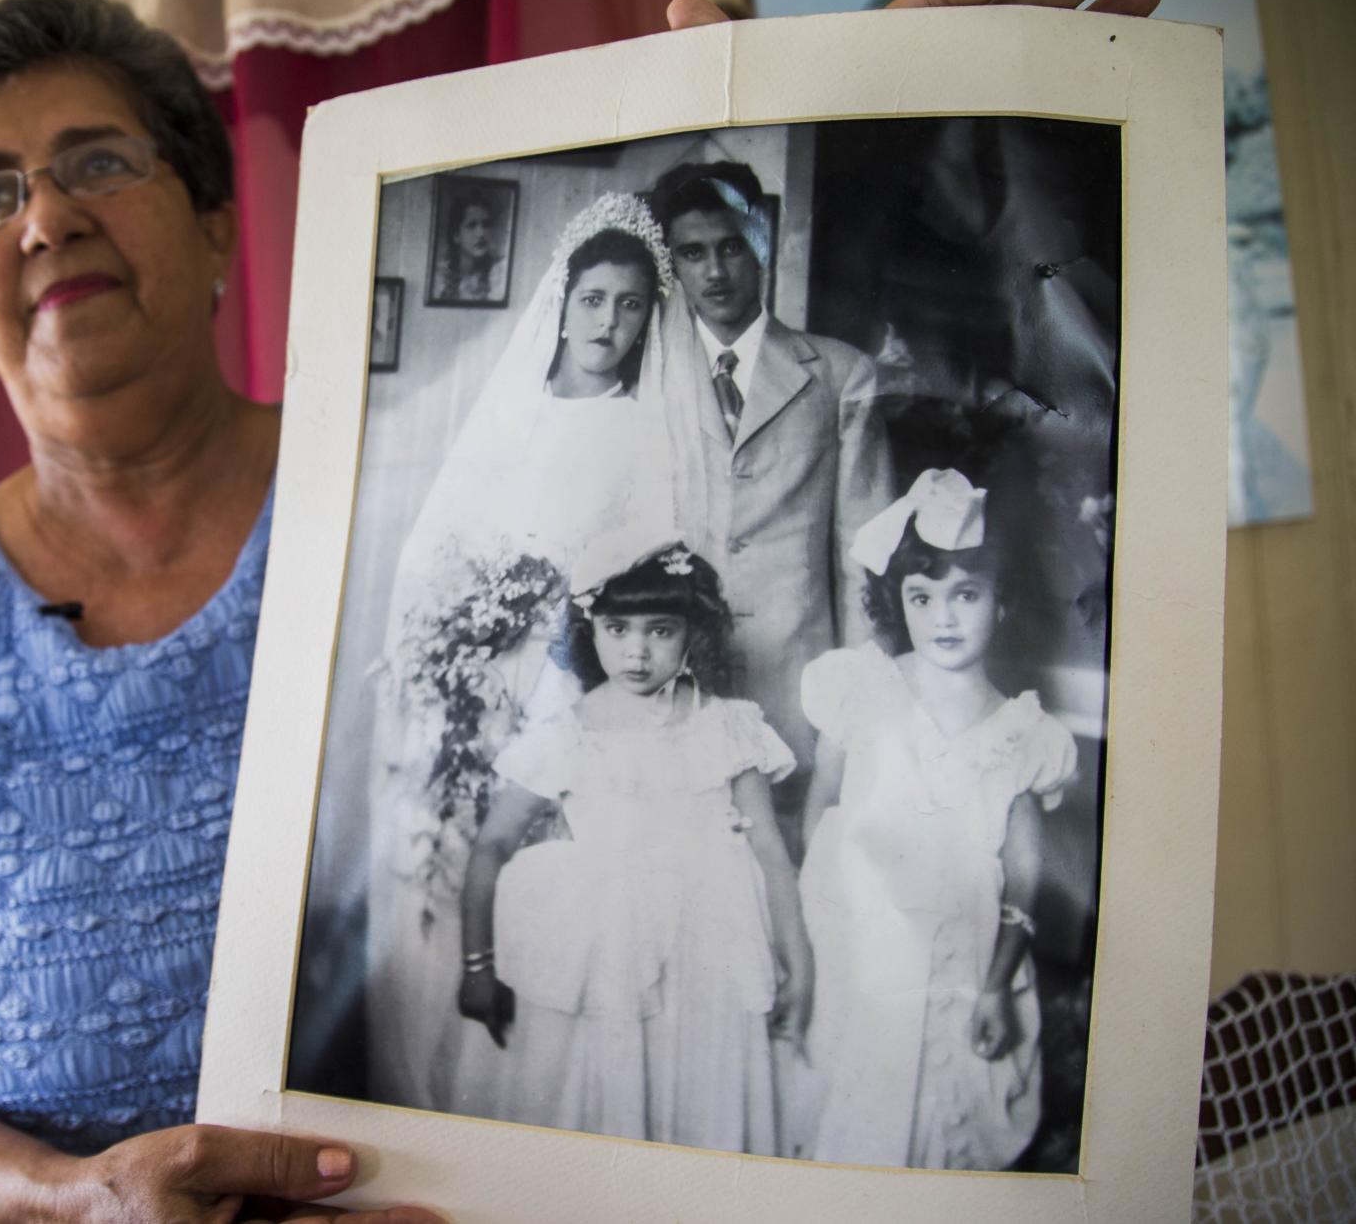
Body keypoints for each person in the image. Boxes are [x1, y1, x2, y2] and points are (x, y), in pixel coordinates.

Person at [0, 0, 1164, 1223]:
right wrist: (63, 1201)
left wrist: (827, 88)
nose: (43, 217)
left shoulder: (393, 479)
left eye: (98, 162)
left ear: (220, 223)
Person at [363, 192, 701, 1115]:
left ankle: (530, 1085)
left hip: (570, 671)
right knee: (451, 845)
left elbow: (652, 560)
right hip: (480, 661)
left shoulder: (646, 426)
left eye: (631, 305)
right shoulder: (512, 412)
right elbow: (442, 542)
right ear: (563, 301)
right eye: (593, 299)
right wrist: (459, 633)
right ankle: (433, 1065)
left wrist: (567, 633)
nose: (610, 322)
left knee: (535, 855)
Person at [454, 533, 808, 1152]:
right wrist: (477, 966)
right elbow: (491, 848)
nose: (637, 652)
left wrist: (799, 964)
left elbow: (772, 853)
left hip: (712, 950)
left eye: (660, 630)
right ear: (590, 631)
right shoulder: (569, 733)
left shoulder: (727, 725)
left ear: (692, 630)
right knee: (610, 1099)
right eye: (617, 629)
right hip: (612, 948)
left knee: (702, 1104)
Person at [788, 469, 1078, 1169]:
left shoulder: (1021, 733)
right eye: (923, 597)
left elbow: (1025, 880)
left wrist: (993, 984)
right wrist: (818, 928)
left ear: (1002, 602)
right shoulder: (863, 690)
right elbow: (821, 811)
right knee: (848, 1114)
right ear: (898, 602)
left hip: (963, 963)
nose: (944, 618)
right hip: (860, 959)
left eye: (966, 595)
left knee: (939, 1127)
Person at [650, 157, 893, 840]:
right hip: (675, 675)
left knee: (784, 882)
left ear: (763, 241)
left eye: (731, 246)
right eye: (693, 254)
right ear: (673, 263)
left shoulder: (840, 375)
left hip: (797, 682)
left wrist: (855, 706)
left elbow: (865, 556)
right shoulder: (652, 374)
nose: (715, 272)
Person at [430, 187, 504, 302]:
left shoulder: (499, 274)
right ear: (456, 236)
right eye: (471, 225)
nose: (481, 233)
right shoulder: (438, 278)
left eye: (485, 225)